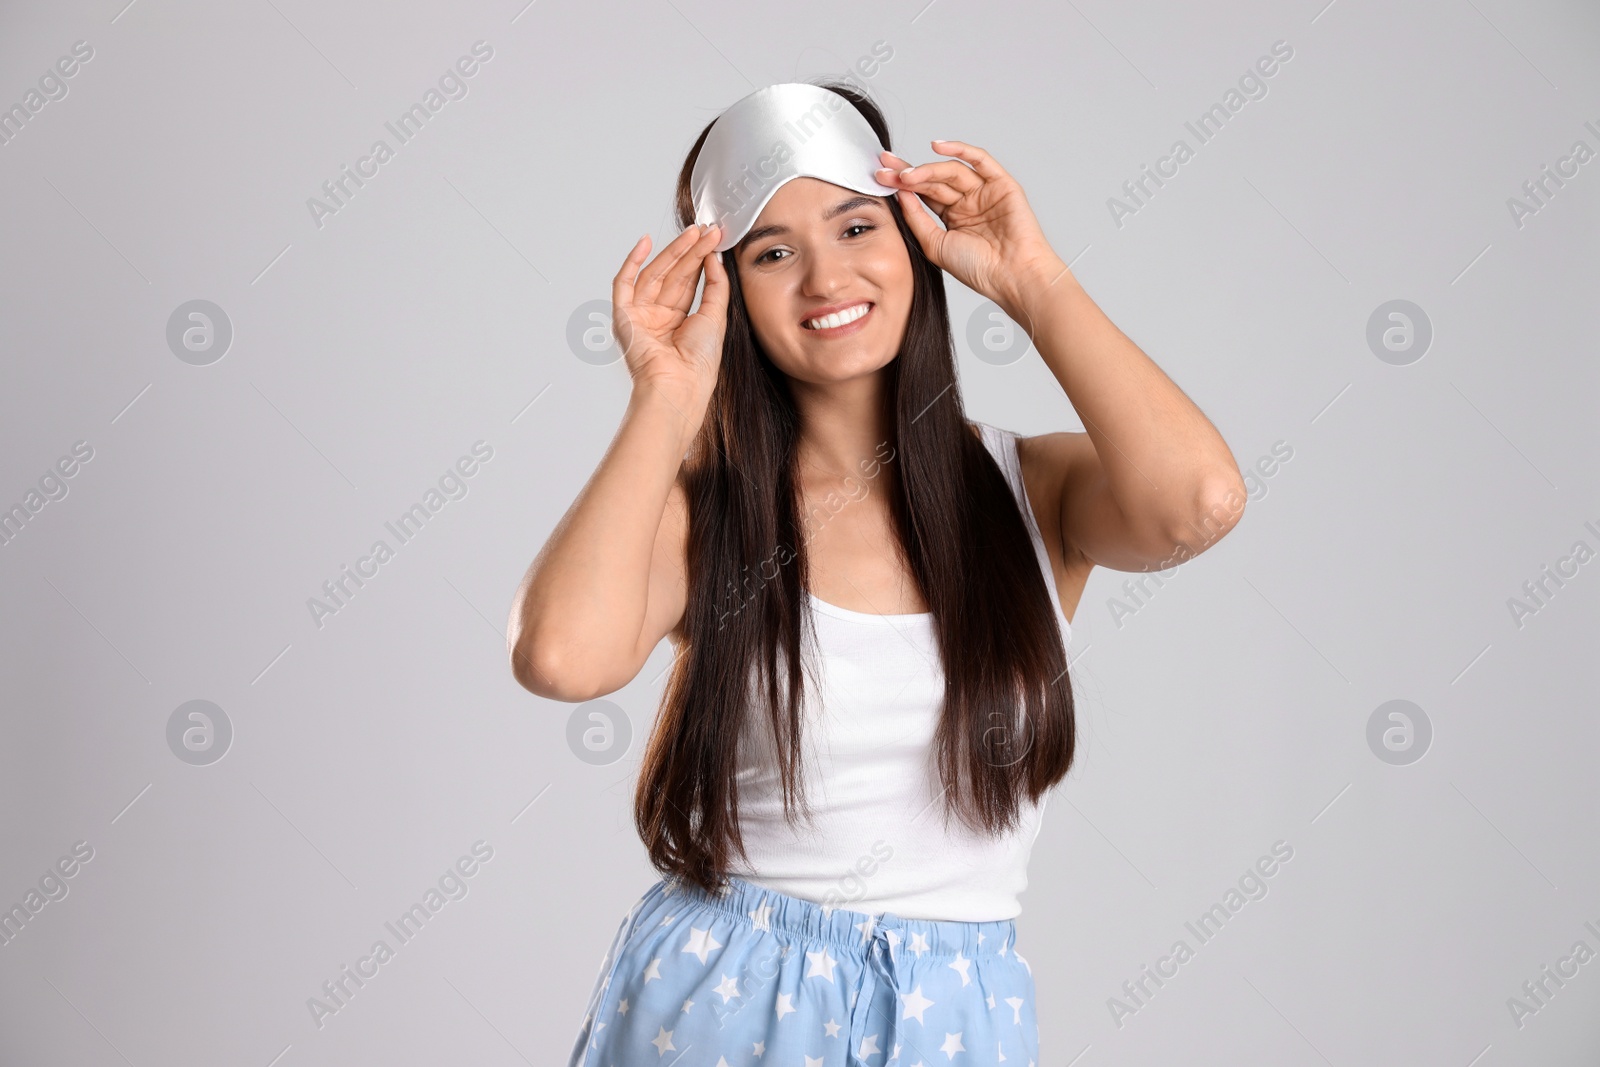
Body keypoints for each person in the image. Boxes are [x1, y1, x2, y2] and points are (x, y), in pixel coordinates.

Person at [510, 81, 1247, 1066]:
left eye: (857, 226)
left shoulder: (1035, 488)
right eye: (772, 251)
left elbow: (1199, 501)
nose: (824, 276)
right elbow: (562, 658)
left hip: (958, 1005)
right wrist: (663, 399)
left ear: (911, 236)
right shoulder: (703, 511)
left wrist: (1030, 276)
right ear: (724, 287)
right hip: (725, 994)